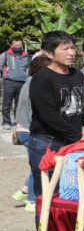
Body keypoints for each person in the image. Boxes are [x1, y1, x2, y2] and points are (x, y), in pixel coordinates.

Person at [27, 31, 84, 205]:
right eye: (65, 49)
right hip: (47, 144)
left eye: (72, 48)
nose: (72, 53)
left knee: (71, 197)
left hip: (72, 141)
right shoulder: (42, 78)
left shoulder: (76, 74)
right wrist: (79, 138)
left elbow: (82, 100)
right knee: (49, 199)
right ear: (49, 53)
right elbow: (49, 116)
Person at [12, 53, 50, 210]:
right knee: (39, 166)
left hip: (23, 129)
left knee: (37, 164)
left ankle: (25, 190)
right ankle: (33, 200)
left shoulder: (27, 83)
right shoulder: (36, 86)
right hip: (29, 131)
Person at [1, 36, 29, 130]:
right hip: (9, 82)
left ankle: (18, 121)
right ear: (12, 45)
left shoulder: (25, 56)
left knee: (20, 104)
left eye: (20, 45)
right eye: (16, 45)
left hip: (22, 83)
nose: (18, 47)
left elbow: (27, 69)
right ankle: (6, 122)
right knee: (7, 103)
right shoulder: (5, 55)